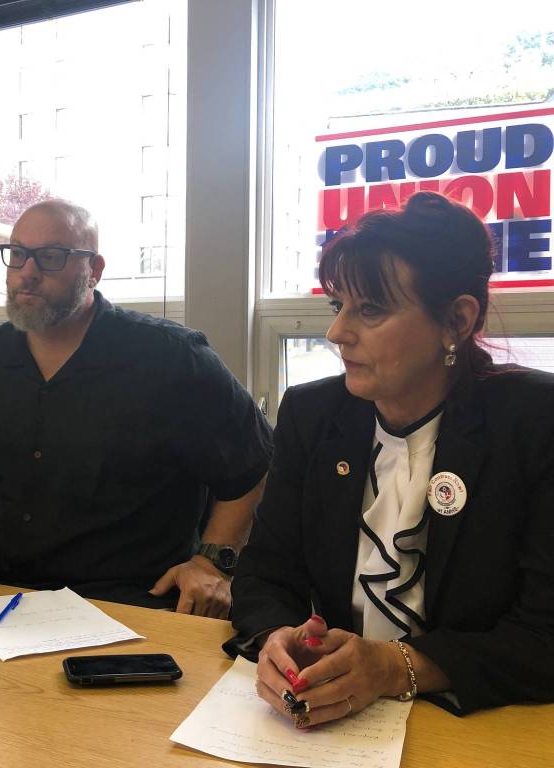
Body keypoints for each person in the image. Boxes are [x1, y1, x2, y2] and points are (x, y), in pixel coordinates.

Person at [227, 191, 554, 723]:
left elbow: (544, 635)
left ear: (456, 321)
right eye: (339, 307)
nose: (336, 333)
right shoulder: (314, 415)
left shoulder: (535, 423)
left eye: (371, 310)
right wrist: (279, 642)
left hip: (483, 717)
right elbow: (265, 573)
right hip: (335, 717)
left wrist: (396, 667)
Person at [0, 199, 271, 615]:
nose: (27, 272)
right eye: (18, 254)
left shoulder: (170, 358)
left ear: (94, 270)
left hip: (121, 602)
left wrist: (213, 563)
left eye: (50, 257)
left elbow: (253, 462)